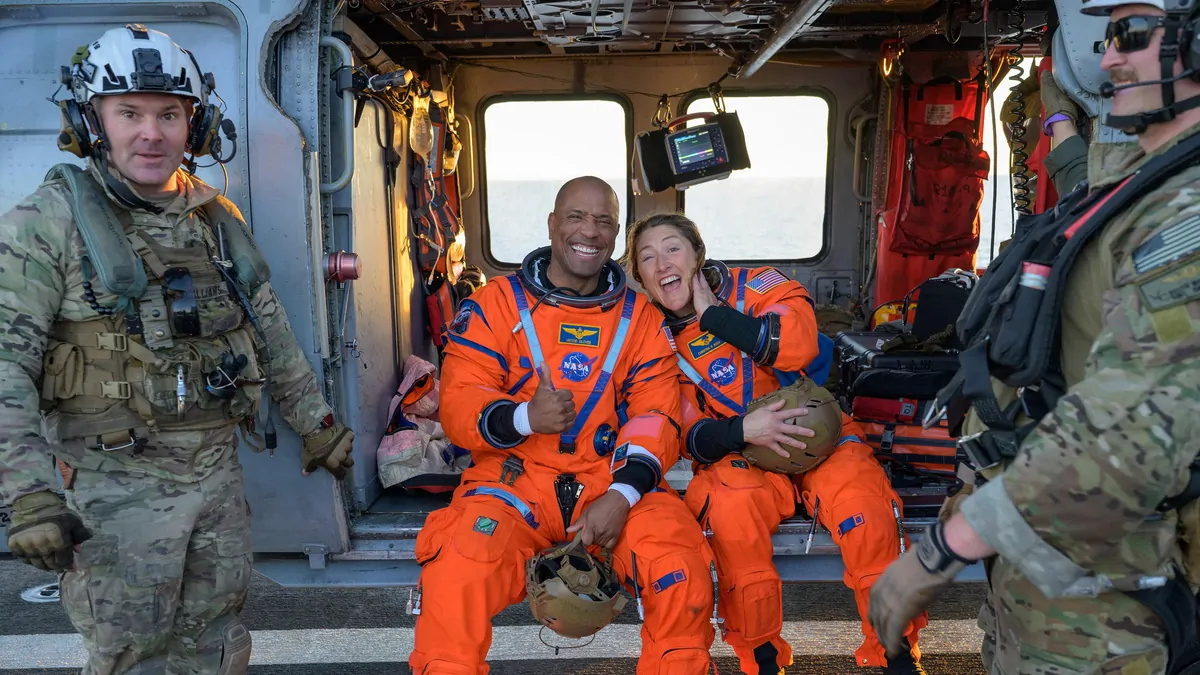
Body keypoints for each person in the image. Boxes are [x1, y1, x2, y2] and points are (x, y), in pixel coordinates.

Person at [0, 24, 354, 674]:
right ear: (91, 121)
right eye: (129, 113)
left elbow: (267, 327)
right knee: (131, 655)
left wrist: (316, 423)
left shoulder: (213, 217)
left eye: (169, 114)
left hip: (215, 476)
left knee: (219, 648)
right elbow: (5, 368)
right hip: (115, 484)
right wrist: (27, 495)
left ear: (196, 123)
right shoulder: (46, 224)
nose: (151, 133)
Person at [866, 0, 1200, 670]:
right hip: (1053, 562)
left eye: (1132, 33)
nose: (1108, 57)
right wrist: (1056, 119)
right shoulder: (1139, 184)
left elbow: (1137, 423)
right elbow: (1088, 190)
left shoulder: (1184, 216)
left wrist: (948, 546)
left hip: (1114, 583)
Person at [408, 176, 719, 675]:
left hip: (608, 481)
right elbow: (461, 402)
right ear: (553, 224)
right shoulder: (496, 305)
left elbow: (655, 416)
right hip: (512, 484)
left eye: (603, 222)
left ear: (615, 235)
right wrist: (524, 417)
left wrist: (623, 494)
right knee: (458, 569)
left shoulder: (641, 319)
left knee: (679, 567)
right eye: (576, 217)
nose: (589, 231)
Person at [624, 213, 929, 675]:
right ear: (641, 278)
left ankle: (896, 653)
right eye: (647, 258)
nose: (662, 263)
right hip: (741, 455)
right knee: (731, 511)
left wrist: (716, 318)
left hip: (818, 436)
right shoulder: (651, 339)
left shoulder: (757, 286)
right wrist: (744, 431)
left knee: (862, 504)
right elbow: (681, 432)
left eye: (672, 248)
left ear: (698, 254)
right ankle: (763, 660)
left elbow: (800, 344)